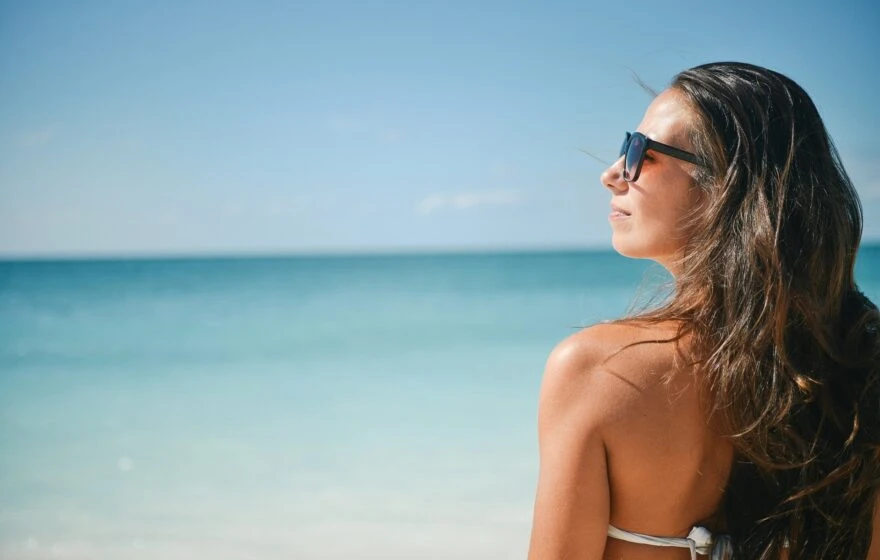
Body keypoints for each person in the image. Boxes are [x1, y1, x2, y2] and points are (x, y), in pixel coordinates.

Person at [527, 62, 880, 559]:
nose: (611, 174)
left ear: (724, 186)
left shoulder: (596, 372)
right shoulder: (859, 367)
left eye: (639, 151)